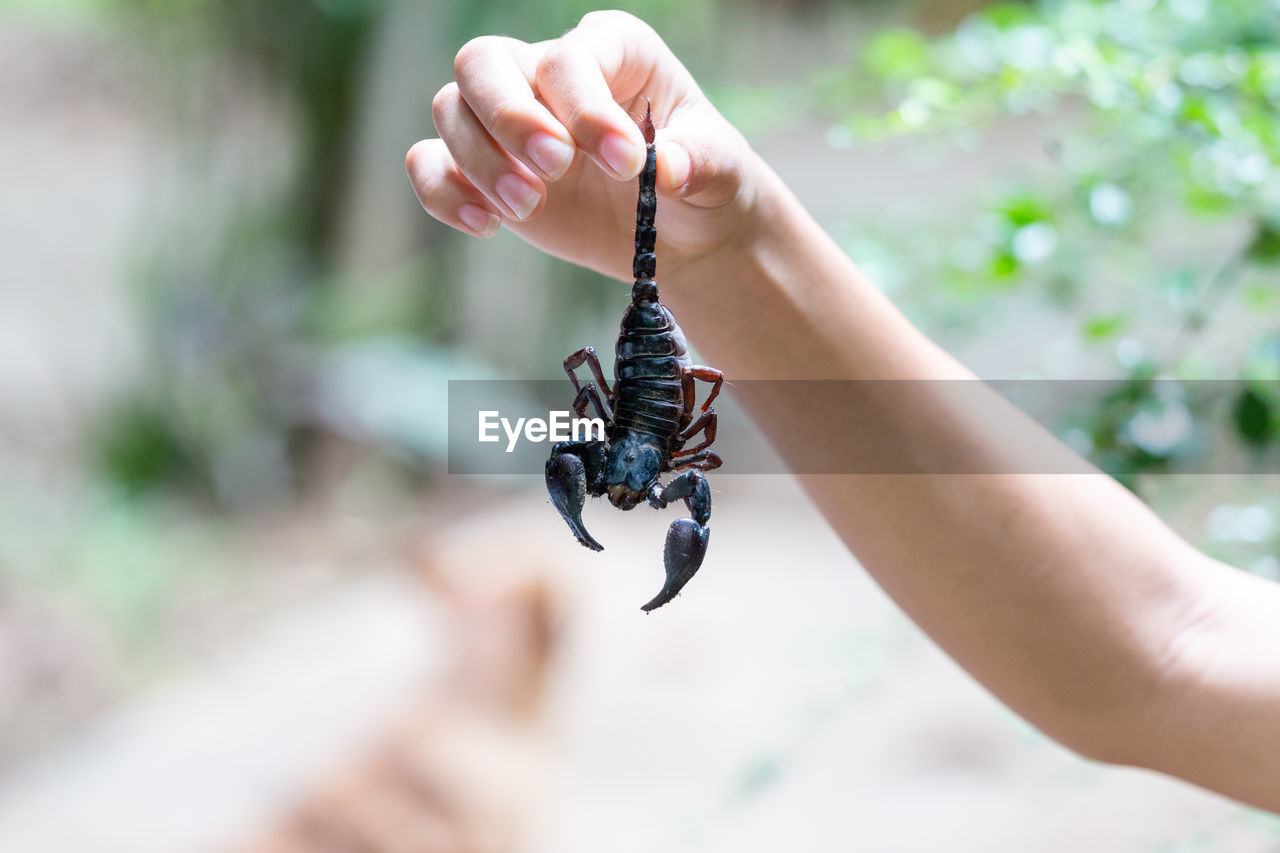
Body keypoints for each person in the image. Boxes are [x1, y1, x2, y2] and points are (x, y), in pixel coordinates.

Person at [404, 10, 1280, 811]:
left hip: (647, 376)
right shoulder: (668, 440)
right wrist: (722, 253)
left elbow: (1172, 654)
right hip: (654, 356)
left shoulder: (662, 459)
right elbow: (1169, 648)